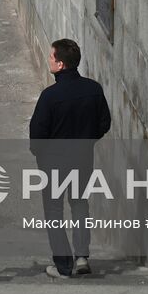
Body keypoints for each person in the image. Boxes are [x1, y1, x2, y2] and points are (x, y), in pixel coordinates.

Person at [29, 38, 111, 278]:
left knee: (54, 211)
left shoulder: (50, 96)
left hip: (54, 163)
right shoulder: (94, 89)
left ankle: (63, 266)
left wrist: (41, 155)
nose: (49, 60)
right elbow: (104, 123)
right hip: (83, 158)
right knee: (79, 204)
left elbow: (37, 134)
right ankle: (82, 256)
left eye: (52, 57)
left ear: (61, 64)